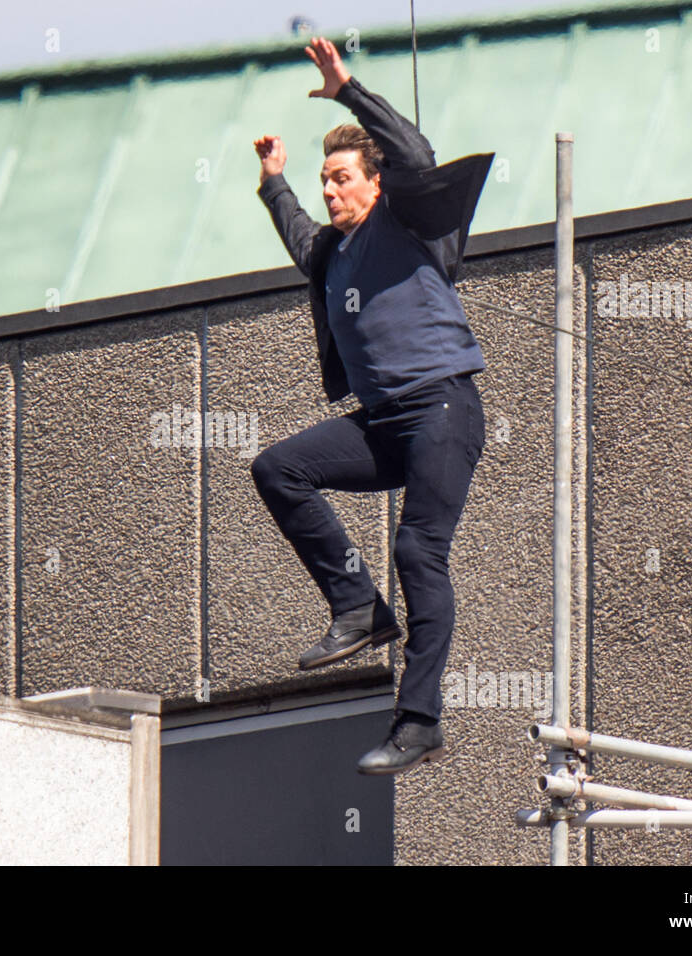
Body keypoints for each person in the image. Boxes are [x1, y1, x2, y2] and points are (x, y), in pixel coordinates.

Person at [250, 36, 494, 775]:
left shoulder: (403, 218)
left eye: (342, 179)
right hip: (385, 423)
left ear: (375, 184)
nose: (330, 192)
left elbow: (415, 156)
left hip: (440, 409)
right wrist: (274, 182)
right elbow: (299, 237)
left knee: (418, 549)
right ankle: (359, 608)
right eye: (324, 181)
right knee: (278, 468)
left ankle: (418, 722)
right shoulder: (334, 252)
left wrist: (347, 87)